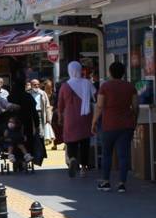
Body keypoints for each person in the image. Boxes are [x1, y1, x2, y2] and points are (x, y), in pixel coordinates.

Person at [92, 62, 138, 193]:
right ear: (123, 72)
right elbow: (135, 106)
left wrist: (93, 122)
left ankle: (106, 182)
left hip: (109, 125)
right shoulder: (130, 87)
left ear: (110, 72)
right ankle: (122, 183)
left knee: (107, 154)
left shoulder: (105, 87)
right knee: (123, 155)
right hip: (126, 125)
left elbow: (99, 106)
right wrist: (135, 120)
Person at [57, 61, 96, 177]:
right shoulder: (87, 83)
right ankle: (84, 168)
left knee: (71, 141)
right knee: (85, 142)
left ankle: (73, 158)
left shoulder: (65, 86)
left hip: (70, 117)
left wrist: (60, 116)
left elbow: (60, 104)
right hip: (85, 116)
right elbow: (95, 95)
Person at [28, 78, 52, 161]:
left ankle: (41, 152)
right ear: (31, 85)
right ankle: (33, 151)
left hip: (40, 114)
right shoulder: (28, 93)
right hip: (30, 114)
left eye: (38, 84)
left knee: (41, 133)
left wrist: (48, 118)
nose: (37, 86)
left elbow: (47, 106)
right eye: (35, 85)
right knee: (32, 132)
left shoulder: (43, 93)